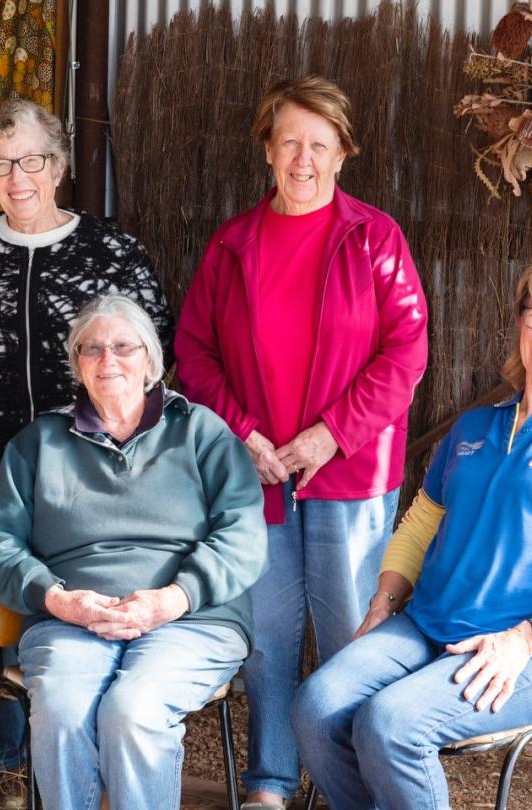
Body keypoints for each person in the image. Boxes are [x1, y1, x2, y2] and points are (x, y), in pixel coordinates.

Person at [290, 254, 532, 810]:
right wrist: (383, 604)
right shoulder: (474, 426)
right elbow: (418, 529)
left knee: (390, 725)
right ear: (520, 322)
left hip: (526, 652)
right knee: (316, 707)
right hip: (421, 628)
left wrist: (527, 638)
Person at [174, 75, 428, 808]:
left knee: (352, 638)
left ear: (343, 154)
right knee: (267, 639)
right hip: (256, 475)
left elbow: (406, 353)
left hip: (348, 474)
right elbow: (193, 352)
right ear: (266, 151)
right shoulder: (232, 244)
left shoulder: (375, 238)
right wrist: (244, 434)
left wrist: (329, 435)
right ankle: (270, 783)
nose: (303, 158)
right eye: (289, 141)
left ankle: (351, 784)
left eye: (319, 144)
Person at [0, 98, 173, 807]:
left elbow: (154, 357)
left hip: (81, 468)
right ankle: (5, 757)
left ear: (57, 165)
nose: (16, 177)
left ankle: (87, 744)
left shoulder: (111, 251)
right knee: (6, 607)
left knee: (76, 605)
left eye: (30, 160)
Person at [0, 294, 267, 810]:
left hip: (190, 618)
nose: (108, 360)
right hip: (71, 619)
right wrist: (59, 600)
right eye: (92, 349)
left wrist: (171, 600)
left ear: (150, 360)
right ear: (77, 365)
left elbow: (243, 534)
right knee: (63, 710)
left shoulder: (200, 431)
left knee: (132, 710)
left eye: (123, 347)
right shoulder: (39, 442)